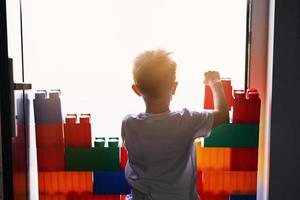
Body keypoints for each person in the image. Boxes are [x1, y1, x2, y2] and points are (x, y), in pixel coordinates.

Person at [121, 49, 229, 200]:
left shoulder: (129, 124)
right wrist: (215, 83)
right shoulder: (186, 121)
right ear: (174, 87)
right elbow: (223, 115)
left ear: (136, 89)